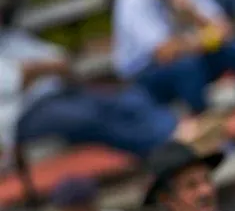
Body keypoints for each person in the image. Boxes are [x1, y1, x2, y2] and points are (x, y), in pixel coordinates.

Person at [0, 25, 205, 168]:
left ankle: (175, 131)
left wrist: (40, 69)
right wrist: (42, 68)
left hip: (61, 91)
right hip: (24, 113)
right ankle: (165, 147)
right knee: (87, 117)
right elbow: (18, 78)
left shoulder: (11, 38)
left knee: (126, 99)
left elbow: (60, 58)